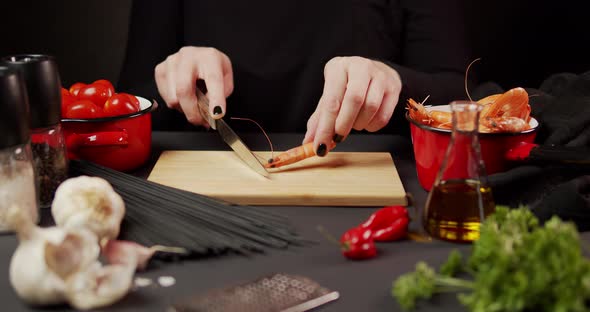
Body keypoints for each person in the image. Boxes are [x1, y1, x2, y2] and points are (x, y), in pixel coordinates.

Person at [117, 0, 473, 157]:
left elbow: (463, 94)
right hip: (197, 193)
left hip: (369, 186)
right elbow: (130, 104)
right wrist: (176, 81)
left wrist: (395, 82)